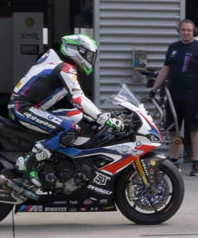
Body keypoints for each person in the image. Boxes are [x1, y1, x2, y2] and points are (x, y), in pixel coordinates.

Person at [9, 34, 120, 188]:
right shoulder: (65, 68)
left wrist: (96, 117)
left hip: (31, 107)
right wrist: (102, 117)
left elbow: (76, 103)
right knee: (70, 129)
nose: (90, 59)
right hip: (23, 108)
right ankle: (30, 162)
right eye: (87, 54)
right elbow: (78, 98)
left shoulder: (59, 65)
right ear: (77, 51)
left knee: (77, 116)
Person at [149, 19, 198, 177]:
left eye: (189, 30)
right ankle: (174, 162)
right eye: (183, 30)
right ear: (179, 31)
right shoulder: (173, 48)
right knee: (173, 130)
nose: (186, 32)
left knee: (194, 130)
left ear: (193, 32)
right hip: (173, 95)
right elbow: (165, 69)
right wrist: (154, 88)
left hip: (193, 95)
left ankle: (196, 163)